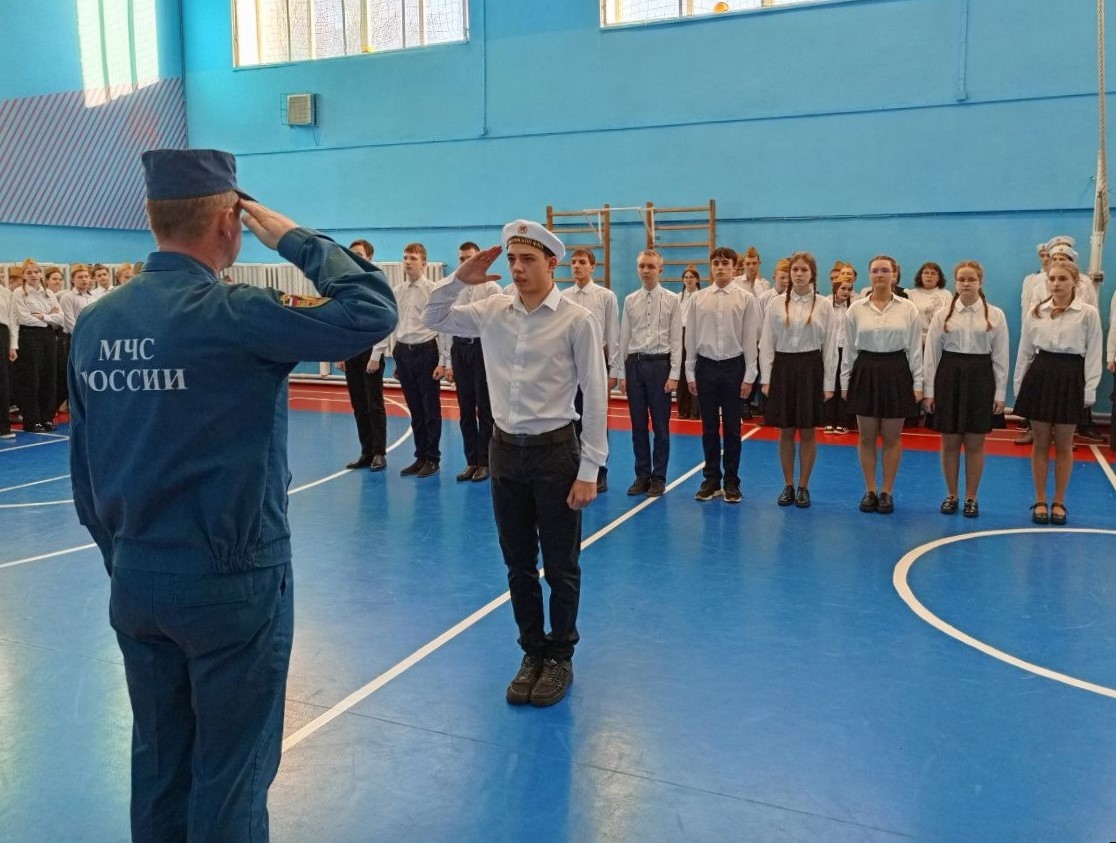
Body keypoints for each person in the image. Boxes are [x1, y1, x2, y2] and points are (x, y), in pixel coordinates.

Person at [68, 148, 397, 843]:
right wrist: (292, 236)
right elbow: (371, 308)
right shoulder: (237, 312)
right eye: (241, 222)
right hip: (230, 580)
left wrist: (128, 556)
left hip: (136, 575)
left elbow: (85, 477)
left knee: (159, 765)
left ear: (152, 218)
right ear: (227, 222)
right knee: (231, 773)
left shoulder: (97, 323)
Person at [421, 219, 607, 708]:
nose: (518, 268)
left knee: (562, 563)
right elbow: (433, 316)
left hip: (556, 453)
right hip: (505, 452)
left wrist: (591, 468)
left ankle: (560, 654)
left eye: (529, 259)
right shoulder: (491, 311)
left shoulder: (576, 319)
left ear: (552, 263)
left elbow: (596, 394)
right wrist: (461, 278)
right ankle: (532, 651)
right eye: (512, 260)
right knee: (518, 563)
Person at [1012, 261, 1103, 525]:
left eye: (1062, 279)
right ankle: (1040, 499)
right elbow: (1025, 351)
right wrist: (1019, 386)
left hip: (1071, 375)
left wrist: (1090, 389)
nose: (1056, 283)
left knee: (1064, 444)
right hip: (1041, 374)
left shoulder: (1088, 314)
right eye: (1052, 279)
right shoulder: (1036, 312)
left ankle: (1060, 501)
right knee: (1040, 443)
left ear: (1075, 281)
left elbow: (1094, 352)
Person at [922, 261, 1009, 518]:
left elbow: (1001, 357)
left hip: (981, 379)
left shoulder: (995, 315)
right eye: (962, 279)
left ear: (980, 282)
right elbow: (932, 356)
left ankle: (972, 497)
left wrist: (1000, 394)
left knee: (974, 443)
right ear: (956, 282)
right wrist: (929, 391)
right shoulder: (942, 316)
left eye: (971, 279)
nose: (966, 283)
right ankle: (952, 494)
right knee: (949, 442)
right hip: (949, 378)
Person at [842, 255, 922, 514]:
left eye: (885, 270)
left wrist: (917, 383)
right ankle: (870, 490)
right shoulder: (856, 308)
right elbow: (849, 350)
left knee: (891, 437)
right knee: (866, 436)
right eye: (875, 270)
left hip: (897, 371)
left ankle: (887, 491)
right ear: (869, 275)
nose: (880, 275)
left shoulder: (908, 308)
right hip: (865, 370)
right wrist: (846, 382)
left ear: (894, 275)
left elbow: (915, 350)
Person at [759, 252, 838, 508]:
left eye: (804, 270)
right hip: (782, 368)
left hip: (810, 368)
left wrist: (828, 384)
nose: (799, 274)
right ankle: (788, 484)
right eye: (795, 270)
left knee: (807, 431)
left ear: (812, 273)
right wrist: (767, 378)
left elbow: (830, 347)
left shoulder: (824, 305)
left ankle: (804, 485)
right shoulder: (775, 304)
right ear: (789, 273)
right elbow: (767, 343)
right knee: (785, 431)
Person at [686, 247, 759, 503]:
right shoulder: (698, 299)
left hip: (733, 366)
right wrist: (689, 371)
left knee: (732, 428)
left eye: (725, 263)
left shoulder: (746, 299)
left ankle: (731, 481)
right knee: (708, 428)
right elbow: (691, 336)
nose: (720, 267)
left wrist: (750, 375)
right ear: (711, 267)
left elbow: (751, 338)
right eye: (715, 263)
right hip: (705, 366)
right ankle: (710, 479)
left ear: (734, 267)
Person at [373, 242, 445, 477]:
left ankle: (433, 458)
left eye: (413, 258)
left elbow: (442, 327)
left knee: (430, 408)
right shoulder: (397, 291)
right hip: (404, 352)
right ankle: (420, 455)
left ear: (423, 264)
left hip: (427, 351)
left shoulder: (433, 290)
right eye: (405, 258)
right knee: (415, 408)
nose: (408, 262)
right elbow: (393, 324)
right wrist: (391, 356)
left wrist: (443, 360)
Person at [616, 249, 681, 497]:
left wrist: (674, 373)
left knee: (661, 426)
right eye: (642, 266)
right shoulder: (630, 300)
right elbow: (624, 337)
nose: (646, 270)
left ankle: (659, 477)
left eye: (651, 266)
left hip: (660, 365)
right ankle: (642, 475)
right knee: (638, 425)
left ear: (660, 270)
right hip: (635, 364)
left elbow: (677, 339)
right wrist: (622, 373)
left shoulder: (673, 300)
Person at [561, 247, 619, 491]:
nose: (576, 266)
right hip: (567, 367)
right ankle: (574, 467)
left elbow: (613, 334)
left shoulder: (605, 296)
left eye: (582, 262)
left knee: (595, 416)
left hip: (596, 363)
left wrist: (614, 370)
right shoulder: (562, 296)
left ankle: (599, 470)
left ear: (592, 267)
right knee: (570, 417)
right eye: (573, 262)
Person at [447, 241, 500, 482]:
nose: (464, 262)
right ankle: (470, 460)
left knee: (485, 410)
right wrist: (447, 361)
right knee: (465, 410)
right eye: (461, 258)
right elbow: (445, 325)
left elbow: (499, 327)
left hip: (481, 349)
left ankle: (485, 461)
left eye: (469, 257)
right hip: (459, 349)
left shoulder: (492, 289)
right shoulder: (453, 289)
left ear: (478, 258)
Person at [338, 238, 389, 471]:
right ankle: (366, 451)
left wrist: (376, 355)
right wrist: (341, 351)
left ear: (369, 257)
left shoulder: (377, 281)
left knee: (374, 404)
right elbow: (341, 317)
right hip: (352, 349)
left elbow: (385, 319)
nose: (355, 256)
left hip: (370, 350)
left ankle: (379, 452)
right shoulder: (345, 282)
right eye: (352, 253)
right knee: (358, 404)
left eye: (359, 253)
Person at [12, 258, 62, 431]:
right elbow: (24, 317)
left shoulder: (49, 294)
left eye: (36, 272)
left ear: (41, 274)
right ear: (24, 275)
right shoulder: (19, 293)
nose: (34, 275)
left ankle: (46, 417)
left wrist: (43, 316)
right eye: (29, 272)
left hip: (48, 336)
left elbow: (59, 318)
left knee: (49, 377)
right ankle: (32, 420)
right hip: (29, 337)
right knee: (31, 379)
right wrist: (48, 317)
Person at [824, 271, 855, 434]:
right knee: (831, 384)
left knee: (845, 386)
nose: (846, 292)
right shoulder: (825, 304)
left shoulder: (853, 306)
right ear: (836, 288)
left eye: (849, 289)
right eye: (843, 288)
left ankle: (844, 421)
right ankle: (829, 420)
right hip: (831, 349)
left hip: (847, 350)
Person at [676, 264, 702, 420]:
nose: (688, 280)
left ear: (697, 279)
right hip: (680, 334)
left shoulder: (701, 296)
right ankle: (683, 409)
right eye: (686, 277)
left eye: (691, 277)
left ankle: (695, 410)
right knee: (681, 373)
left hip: (696, 335)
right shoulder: (678, 297)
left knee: (694, 372)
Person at [0, 270, 17, 439]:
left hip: (2, 333)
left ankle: (3, 427)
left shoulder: (5, 293)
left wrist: (13, 345)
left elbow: (12, 320)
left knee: (2, 381)